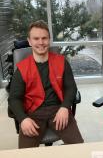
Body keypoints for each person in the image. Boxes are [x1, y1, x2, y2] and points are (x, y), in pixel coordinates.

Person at [8, 20, 84, 148]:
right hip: (33, 113)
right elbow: (14, 98)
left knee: (79, 148)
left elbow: (71, 87)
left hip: (58, 110)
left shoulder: (61, 62)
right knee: (25, 155)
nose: (41, 42)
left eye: (44, 38)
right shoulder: (22, 68)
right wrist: (23, 119)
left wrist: (65, 107)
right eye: (36, 38)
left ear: (49, 39)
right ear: (30, 41)